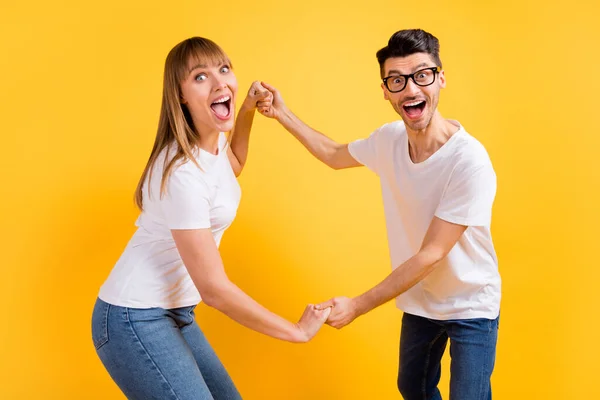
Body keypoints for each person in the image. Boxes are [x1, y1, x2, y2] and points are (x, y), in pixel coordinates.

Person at [259, 29, 500, 400]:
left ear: (441, 77)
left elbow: (432, 254)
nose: (411, 89)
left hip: (471, 301)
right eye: (397, 80)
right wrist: (281, 113)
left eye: (422, 75)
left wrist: (356, 305)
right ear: (386, 91)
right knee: (412, 387)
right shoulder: (389, 140)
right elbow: (334, 154)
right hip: (420, 299)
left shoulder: (469, 162)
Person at [91, 37, 331, 400]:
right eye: (201, 77)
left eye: (224, 69)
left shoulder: (210, 144)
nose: (220, 82)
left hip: (176, 312)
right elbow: (215, 290)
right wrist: (295, 330)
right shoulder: (182, 174)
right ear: (181, 96)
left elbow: (231, 166)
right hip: (133, 318)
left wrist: (247, 110)